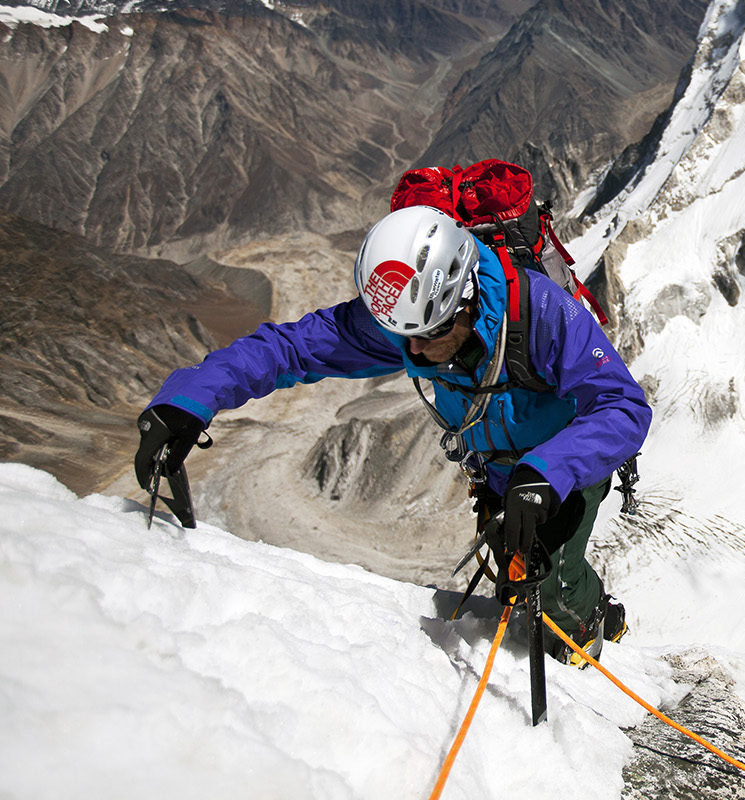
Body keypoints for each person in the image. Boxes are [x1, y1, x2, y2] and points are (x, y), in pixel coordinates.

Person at [133, 204, 651, 663]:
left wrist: (545, 473)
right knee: (518, 571)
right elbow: (288, 349)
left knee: (552, 588)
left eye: (428, 337)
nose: (415, 354)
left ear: (465, 300)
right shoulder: (407, 318)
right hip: (498, 472)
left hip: (567, 465)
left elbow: (622, 406)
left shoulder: (541, 313)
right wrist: (191, 399)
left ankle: (588, 631)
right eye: (405, 339)